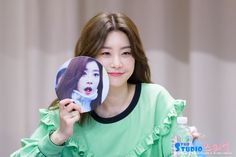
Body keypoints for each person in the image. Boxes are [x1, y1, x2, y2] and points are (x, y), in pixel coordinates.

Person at [11, 12, 200, 157]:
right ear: (87, 58)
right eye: (105, 53)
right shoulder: (66, 112)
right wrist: (58, 137)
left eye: (126, 53)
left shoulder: (156, 100)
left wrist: (190, 148)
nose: (117, 63)